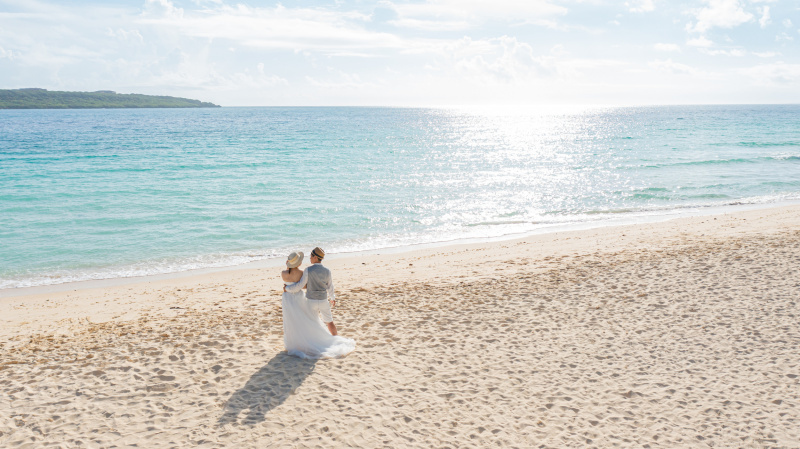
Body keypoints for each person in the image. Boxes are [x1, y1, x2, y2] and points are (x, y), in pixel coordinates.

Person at [280, 250, 355, 359]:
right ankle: (335, 339)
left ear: (315, 257)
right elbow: (329, 286)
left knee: (304, 321)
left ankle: (303, 341)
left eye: (311, 256)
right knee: (327, 322)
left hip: (302, 300)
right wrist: (332, 297)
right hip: (322, 300)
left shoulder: (300, 271)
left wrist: (287, 288)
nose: (309, 258)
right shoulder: (326, 271)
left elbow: (299, 285)